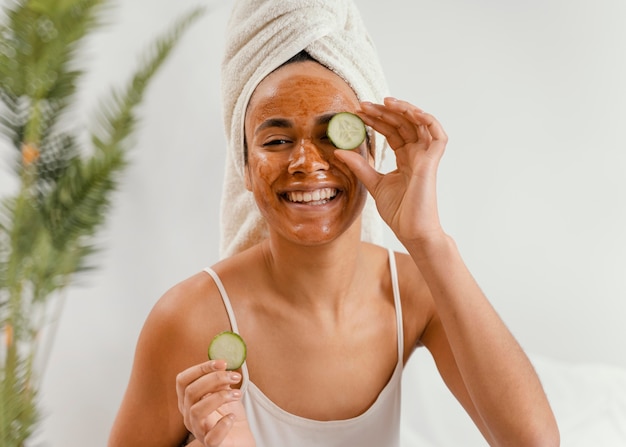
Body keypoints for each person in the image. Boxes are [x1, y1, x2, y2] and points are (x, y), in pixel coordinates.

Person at [108, 1, 559, 446]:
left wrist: (428, 240)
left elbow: (534, 443)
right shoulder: (187, 320)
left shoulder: (415, 293)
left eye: (333, 134)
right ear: (244, 168)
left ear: (372, 152)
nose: (307, 162)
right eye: (278, 139)